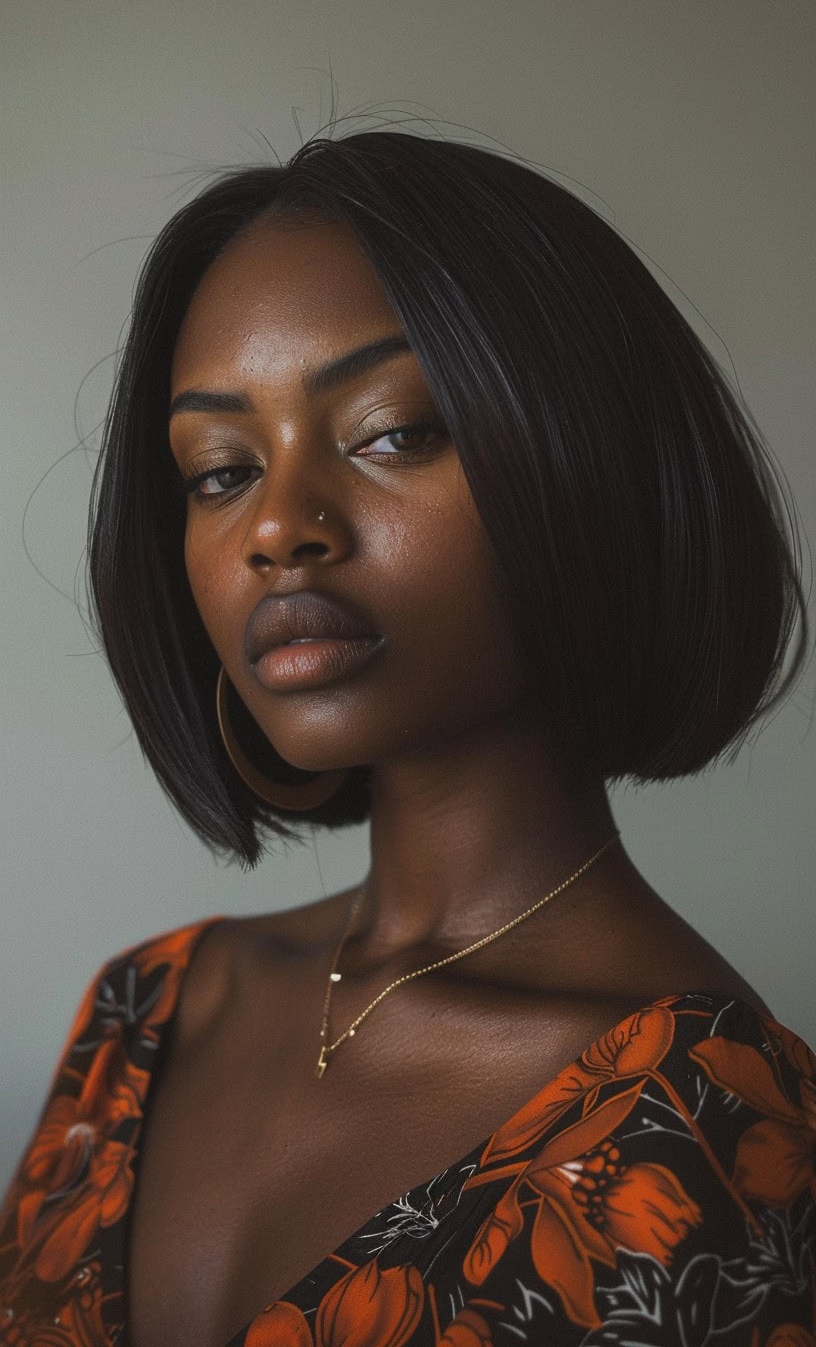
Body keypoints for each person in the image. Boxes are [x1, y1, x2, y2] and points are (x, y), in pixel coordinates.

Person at [1, 128, 813, 1347]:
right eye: (221, 469)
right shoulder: (142, 1014)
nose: (278, 526)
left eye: (390, 431)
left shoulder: (714, 1129)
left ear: (584, 464)